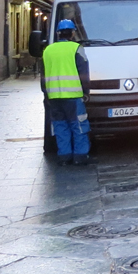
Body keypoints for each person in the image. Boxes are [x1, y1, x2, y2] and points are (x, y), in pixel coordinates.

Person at [41, 20, 91, 165]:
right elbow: (84, 72)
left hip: (54, 97)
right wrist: (86, 91)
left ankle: (64, 157)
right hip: (74, 96)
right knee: (78, 126)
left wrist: (46, 93)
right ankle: (80, 156)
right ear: (73, 33)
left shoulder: (48, 50)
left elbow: (43, 75)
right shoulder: (76, 48)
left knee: (60, 127)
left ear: (58, 33)